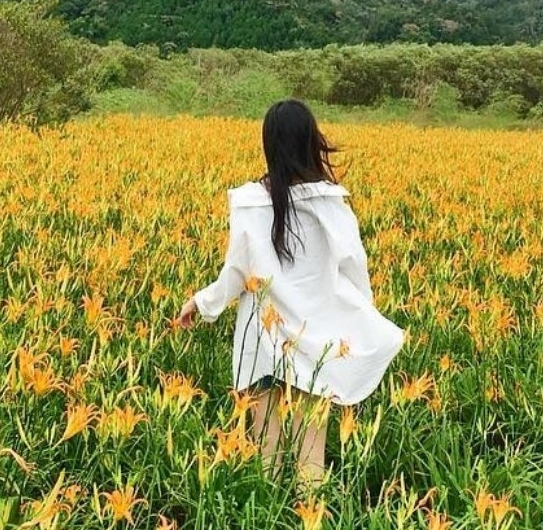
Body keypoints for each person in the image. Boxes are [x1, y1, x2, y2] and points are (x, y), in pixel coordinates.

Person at [173, 99, 405, 484]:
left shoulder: (251, 203)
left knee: (267, 455)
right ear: (312, 142)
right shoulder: (332, 205)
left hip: (263, 347)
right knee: (310, 461)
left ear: (269, 145)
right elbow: (355, 271)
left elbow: (235, 273)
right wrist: (358, 320)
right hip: (316, 348)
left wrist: (200, 303)